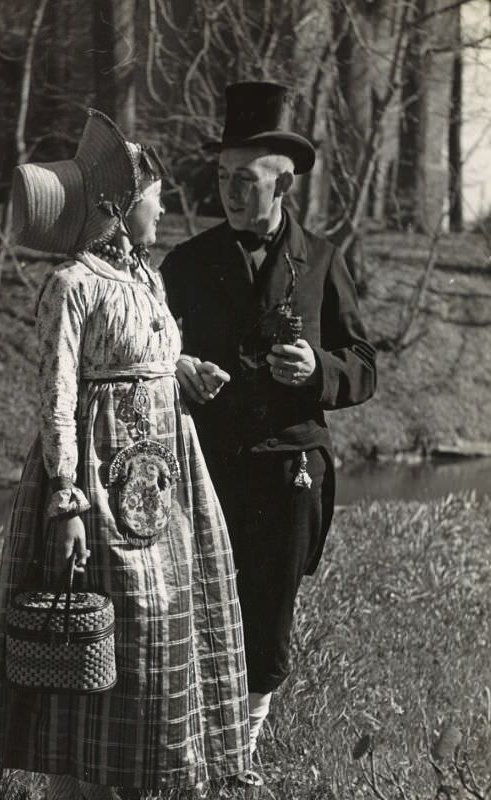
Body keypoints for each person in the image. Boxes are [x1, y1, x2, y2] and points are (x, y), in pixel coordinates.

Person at [0, 109, 251, 800]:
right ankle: (72, 789)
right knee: (102, 616)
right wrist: (66, 498)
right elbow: (58, 394)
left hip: (159, 469)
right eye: (154, 196)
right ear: (118, 209)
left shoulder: (143, 276)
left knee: (152, 621)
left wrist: (181, 369)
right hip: (101, 469)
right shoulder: (74, 284)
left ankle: (122, 772)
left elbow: (135, 355)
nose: (164, 205)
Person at [161, 81, 377, 757]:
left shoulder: (323, 262)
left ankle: (239, 755)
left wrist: (319, 370)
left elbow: (365, 363)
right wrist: (179, 372)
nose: (229, 192)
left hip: (290, 468)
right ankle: (195, 748)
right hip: (208, 465)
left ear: (282, 185)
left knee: (269, 618)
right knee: (198, 610)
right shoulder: (186, 264)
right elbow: (148, 349)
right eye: (222, 177)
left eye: (246, 180)